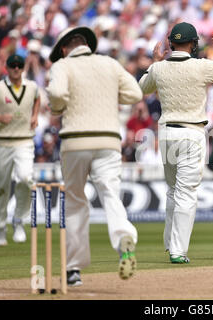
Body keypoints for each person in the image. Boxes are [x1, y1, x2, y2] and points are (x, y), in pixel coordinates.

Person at [46, 26, 143, 286]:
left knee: (76, 202)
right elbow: (135, 93)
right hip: (108, 140)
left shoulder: (62, 66)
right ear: (86, 44)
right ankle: (124, 239)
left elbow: (56, 95)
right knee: (111, 193)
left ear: (64, 49)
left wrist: (58, 107)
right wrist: (110, 96)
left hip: (75, 141)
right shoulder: (109, 63)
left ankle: (74, 269)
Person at [139, 22, 213, 263]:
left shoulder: (159, 68)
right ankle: (177, 251)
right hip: (191, 135)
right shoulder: (201, 66)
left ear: (171, 43)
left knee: (174, 191)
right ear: (193, 44)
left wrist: (155, 63)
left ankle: (170, 243)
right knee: (186, 194)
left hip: (166, 134)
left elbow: (143, 88)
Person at [0, 54, 40, 247]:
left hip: (24, 141)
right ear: (7, 68)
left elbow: (37, 99)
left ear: (23, 68)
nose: (16, 69)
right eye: (12, 66)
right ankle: (1, 228)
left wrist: (35, 116)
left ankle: (19, 221)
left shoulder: (32, 86)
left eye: (19, 66)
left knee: (25, 179)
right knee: (2, 187)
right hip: (2, 143)